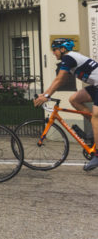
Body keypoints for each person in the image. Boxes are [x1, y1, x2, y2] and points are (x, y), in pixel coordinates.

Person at [34, 38, 98, 171]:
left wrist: (46, 96)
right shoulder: (70, 59)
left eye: (55, 50)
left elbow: (59, 79)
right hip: (96, 85)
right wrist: (46, 94)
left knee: (95, 116)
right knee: (74, 99)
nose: (53, 53)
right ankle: (95, 130)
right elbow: (62, 81)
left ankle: (97, 154)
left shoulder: (69, 58)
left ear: (63, 49)